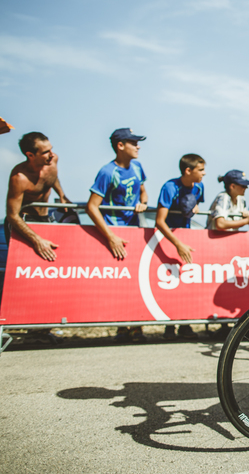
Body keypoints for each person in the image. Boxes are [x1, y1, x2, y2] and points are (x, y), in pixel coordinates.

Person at [5, 132, 70, 344]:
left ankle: (41, 329)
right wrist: (36, 239)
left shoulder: (53, 160)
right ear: (30, 155)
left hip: (45, 220)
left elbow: (53, 177)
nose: (51, 155)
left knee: (48, 276)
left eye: (51, 149)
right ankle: (8, 325)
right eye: (45, 152)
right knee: (22, 276)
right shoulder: (19, 177)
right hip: (23, 224)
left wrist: (60, 194)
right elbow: (12, 215)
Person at [87, 128, 149, 343]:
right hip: (114, 232)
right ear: (120, 145)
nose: (138, 146)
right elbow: (92, 207)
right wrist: (110, 236)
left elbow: (143, 190)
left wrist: (144, 202)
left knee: (137, 281)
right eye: (134, 142)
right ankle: (122, 327)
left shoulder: (138, 166)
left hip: (134, 230)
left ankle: (137, 328)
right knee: (120, 283)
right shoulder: (107, 172)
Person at [155, 154, 206, 340]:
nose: (204, 173)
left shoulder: (199, 186)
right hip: (169, 239)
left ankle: (185, 323)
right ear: (188, 171)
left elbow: (197, 202)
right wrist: (177, 244)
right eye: (200, 170)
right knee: (169, 282)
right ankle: (169, 325)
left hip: (187, 237)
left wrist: (197, 206)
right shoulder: (169, 187)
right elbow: (159, 221)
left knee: (186, 281)